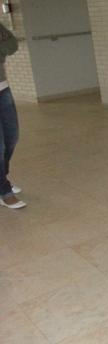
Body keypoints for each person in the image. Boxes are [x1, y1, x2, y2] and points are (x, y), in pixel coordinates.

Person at [0, 22, 24, 209]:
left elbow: (12, 46)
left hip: (2, 88)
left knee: (12, 137)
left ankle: (3, 176)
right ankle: (4, 191)